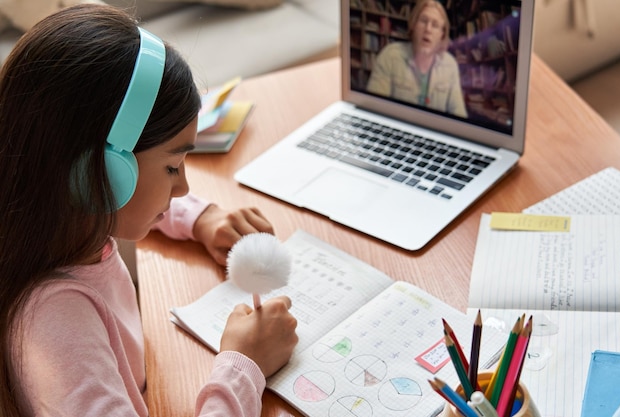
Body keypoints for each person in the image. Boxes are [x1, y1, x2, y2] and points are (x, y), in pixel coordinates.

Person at [0, 4, 298, 417]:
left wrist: (200, 218)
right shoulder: (57, 326)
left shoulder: (62, 221)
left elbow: (137, 198)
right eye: (173, 167)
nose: (184, 186)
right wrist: (244, 366)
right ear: (101, 174)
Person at [366, 0, 467, 118]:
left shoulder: (450, 65)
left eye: (435, 25)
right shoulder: (390, 56)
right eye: (423, 21)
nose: (428, 29)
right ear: (413, 25)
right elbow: (373, 109)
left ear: (442, 35)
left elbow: (459, 114)